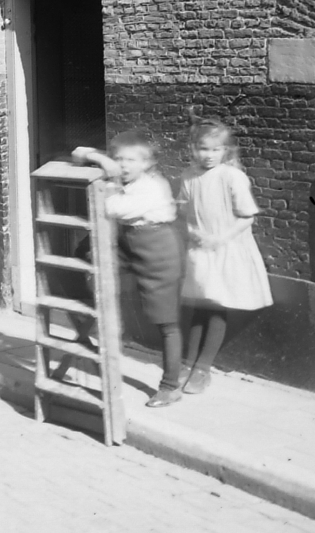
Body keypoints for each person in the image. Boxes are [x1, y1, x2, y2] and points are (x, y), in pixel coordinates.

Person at [73, 132, 186, 407]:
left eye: (131, 160)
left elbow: (111, 208)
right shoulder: (121, 174)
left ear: (147, 163)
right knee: (88, 266)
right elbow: (77, 152)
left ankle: (171, 384)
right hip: (127, 242)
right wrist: (99, 157)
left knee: (165, 321)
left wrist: (109, 177)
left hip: (157, 248)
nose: (123, 165)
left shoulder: (153, 186)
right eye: (119, 159)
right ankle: (98, 333)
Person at [179, 120, 272, 395]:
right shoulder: (188, 176)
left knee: (216, 306)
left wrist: (220, 238)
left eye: (215, 149)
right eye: (203, 149)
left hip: (226, 249)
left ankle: (202, 368)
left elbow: (247, 217)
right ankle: (187, 363)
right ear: (193, 149)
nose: (208, 155)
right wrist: (192, 232)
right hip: (201, 249)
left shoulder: (232, 176)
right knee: (199, 306)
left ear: (225, 150)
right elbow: (183, 213)